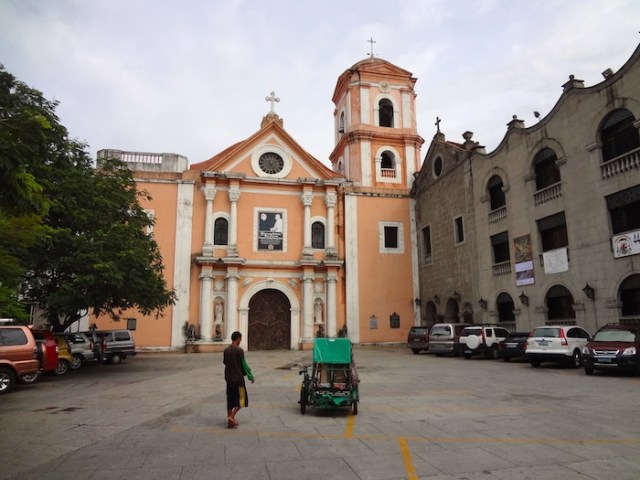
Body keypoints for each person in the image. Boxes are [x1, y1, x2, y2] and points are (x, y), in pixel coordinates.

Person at [223, 331, 254, 428]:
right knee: (241, 400)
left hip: (229, 378)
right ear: (238, 339)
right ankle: (231, 417)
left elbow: (225, 363)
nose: (240, 341)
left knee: (230, 400)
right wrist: (250, 376)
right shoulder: (239, 350)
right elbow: (244, 364)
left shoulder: (226, 350)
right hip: (238, 379)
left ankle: (230, 421)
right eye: (240, 339)